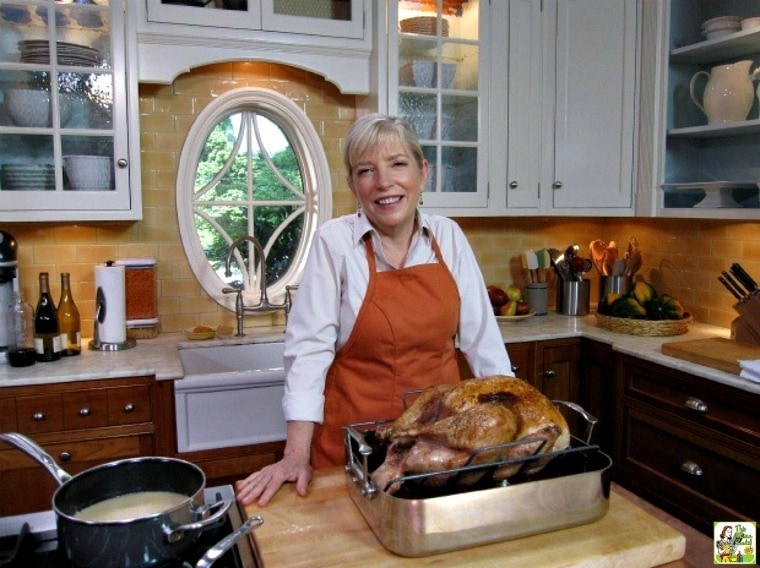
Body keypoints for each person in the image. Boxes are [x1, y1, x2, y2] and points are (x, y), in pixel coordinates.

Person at [235, 113, 513, 507]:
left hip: (435, 449)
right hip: (352, 449)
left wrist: (511, 426)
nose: (384, 182)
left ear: (423, 172)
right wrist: (295, 454)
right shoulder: (335, 243)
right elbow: (308, 352)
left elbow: (485, 347)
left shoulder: (448, 238)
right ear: (353, 185)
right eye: (366, 171)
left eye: (398, 164)